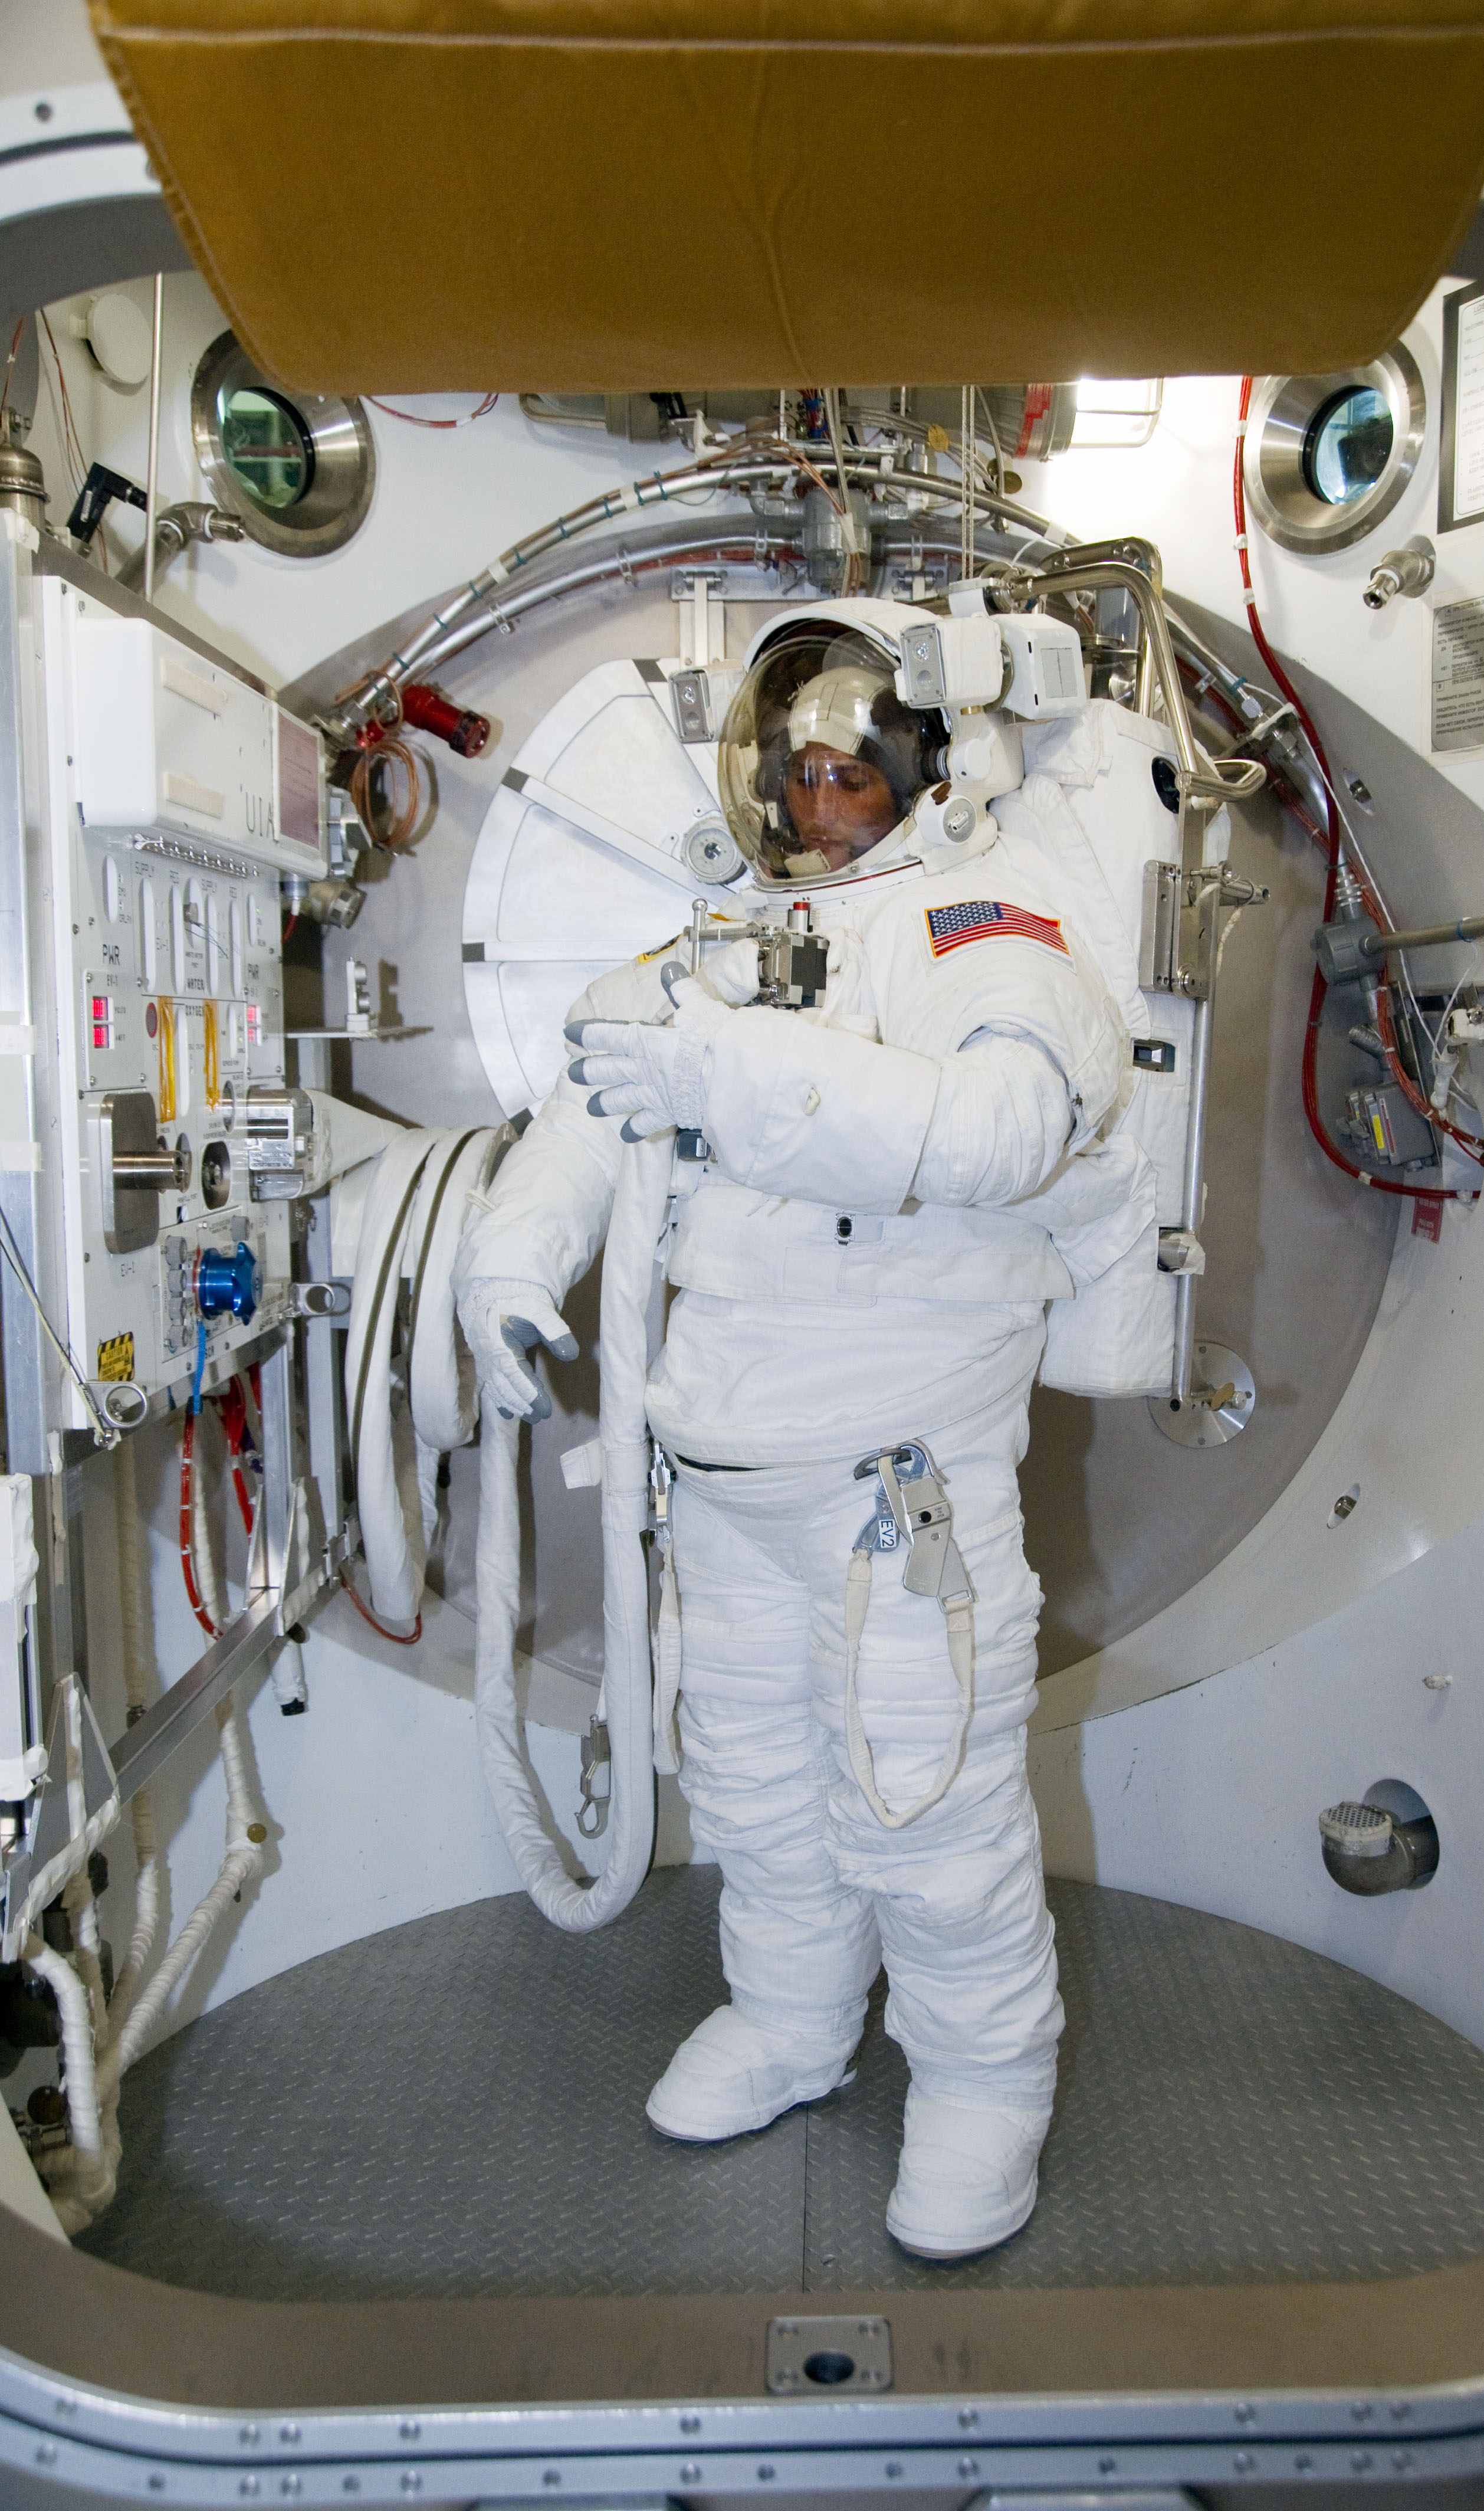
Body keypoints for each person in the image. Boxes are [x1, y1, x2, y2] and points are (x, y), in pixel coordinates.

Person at [454, 601, 1132, 2258]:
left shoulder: (982, 929)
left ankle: (982, 2084)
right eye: (796, 769)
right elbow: (584, 1114)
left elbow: (998, 1128)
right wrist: (509, 1260)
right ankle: (792, 2021)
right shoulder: (704, 950)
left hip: (898, 1494)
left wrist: (732, 1077)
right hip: (725, 1485)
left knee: (927, 1808)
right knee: (753, 1788)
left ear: (917, 767)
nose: (820, 798)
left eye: (852, 767)